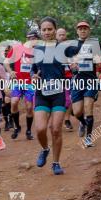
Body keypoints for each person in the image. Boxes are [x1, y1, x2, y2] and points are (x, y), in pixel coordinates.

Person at [30, 17, 68, 175]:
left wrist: (74, 65)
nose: (47, 32)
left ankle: (56, 163)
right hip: (42, 93)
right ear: (41, 31)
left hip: (58, 92)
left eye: (50, 29)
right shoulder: (37, 49)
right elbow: (33, 69)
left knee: (56, 129)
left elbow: (74, 62)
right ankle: (45, 149)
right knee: (40, 129)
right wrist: (33, 76)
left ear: (55, 30)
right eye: (44, 30)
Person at [67, 21, 101, 147]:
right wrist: (73, 65)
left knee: (88, 107)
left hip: (91, 80)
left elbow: (99, 62)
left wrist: (98, 72)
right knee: (77, 112)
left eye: (85, 29)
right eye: (80, 29)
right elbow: (70, 62)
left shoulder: (95, 44)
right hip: (78, 81)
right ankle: (83, 122)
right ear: (77, 31)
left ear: (89, 31)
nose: (83, 31)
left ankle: (89, 138)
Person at [6, 31, 38, 140]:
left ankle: (28, 131)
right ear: (26, 38)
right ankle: (17, 127)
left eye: (34, 38)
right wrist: (10, 71)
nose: (31, 40)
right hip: (17, 82)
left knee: (29, 107)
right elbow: (6, 62)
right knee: (14, 102)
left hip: (30, 83)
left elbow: (41, 67)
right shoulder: (17, 48)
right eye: (29, 38)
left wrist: (37, 75)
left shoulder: (38, 51)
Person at [55, 27, 75, 131]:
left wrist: (73, 64)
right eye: (60, 35)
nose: (62, 36)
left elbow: (73, 59)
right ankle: (57, 120)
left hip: (68, 76)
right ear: (56, 36)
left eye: (63, 35)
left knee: (69, 98)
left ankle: (67, 120)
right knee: (60, 99)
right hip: (56, 77)